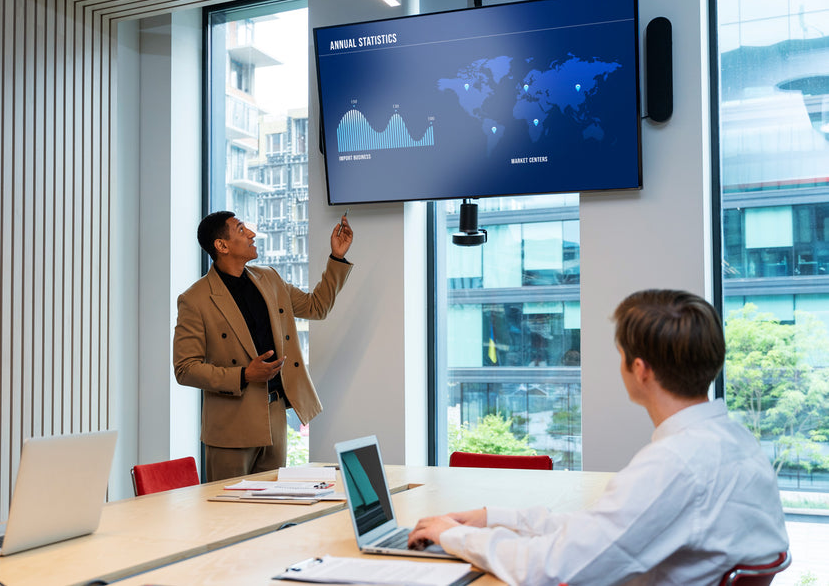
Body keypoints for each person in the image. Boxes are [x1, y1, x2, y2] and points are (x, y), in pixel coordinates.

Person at [408, 289, 789, 586]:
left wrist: (454, 536)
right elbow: (600, 532)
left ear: (639, 369)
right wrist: (492, 519)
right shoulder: (732, 442)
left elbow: (551, 570)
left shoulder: (677, 464)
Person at [174, 211, 353, 482]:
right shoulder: (195, 299)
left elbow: (317, 307)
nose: (252, 234)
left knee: (272, 513)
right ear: (222, 246)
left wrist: (336, 258)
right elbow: (185, 369)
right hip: (230, 427)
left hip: (275, 418)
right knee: (230, 517)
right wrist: (243, 375)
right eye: (241, 229)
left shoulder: (269, 278)